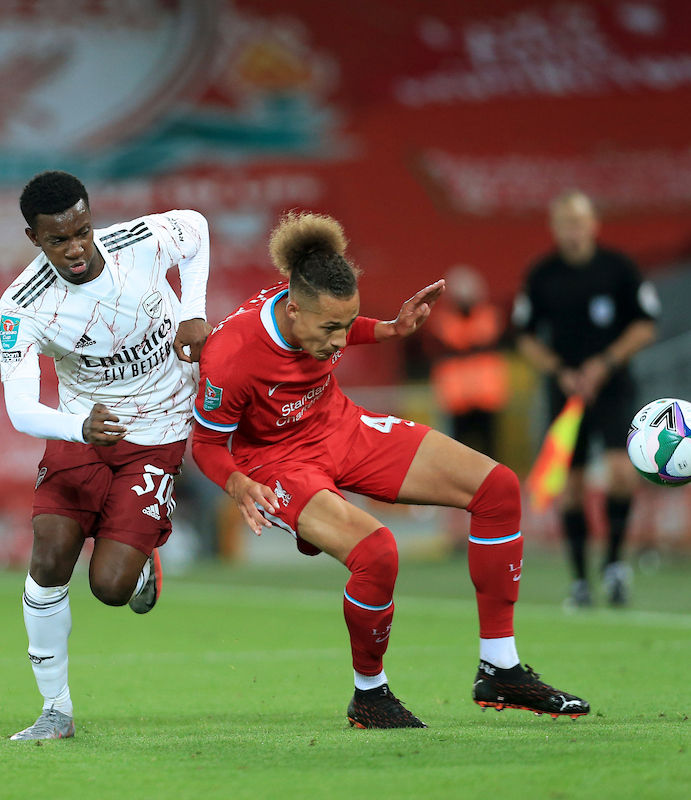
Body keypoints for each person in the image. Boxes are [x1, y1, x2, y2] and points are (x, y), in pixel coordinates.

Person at [191, 211, 589, 729]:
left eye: (345, 323)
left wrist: (387, 329)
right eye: (329, 328)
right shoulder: (232, 355)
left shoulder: (311, 300)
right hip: (276, 462)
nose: (338, 341)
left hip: (340, 426)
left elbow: (341, 323)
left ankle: (501, 667)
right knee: (377, 553)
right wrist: (238, 483)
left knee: (498, 488)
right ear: (291, 312)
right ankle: (370, 695)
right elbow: (205, 443)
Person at [0, 171, 210, 740]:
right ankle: (55, 711)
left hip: (159, 429)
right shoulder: (22, 306)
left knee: (110, 588)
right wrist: (77, 425)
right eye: (57, 240)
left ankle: (141, 559)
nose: (75, 248)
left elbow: (195, 227)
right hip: (81, 433)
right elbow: (20, 409)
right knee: (47, 562)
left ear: (92, 218)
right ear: (33, 238)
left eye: (82, 231)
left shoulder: (137, 244)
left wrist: (193, 308)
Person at [514, 190, 659, 608]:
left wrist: (605, 363)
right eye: (564, 223)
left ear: (594, 223)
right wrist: (560, 370)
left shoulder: (619, 269)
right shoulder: (542, 275)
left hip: (612, 386)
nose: (572, 230)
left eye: (579, 221)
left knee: (621, 473)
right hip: (566, 392)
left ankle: (614, 563)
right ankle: (579, 580)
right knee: (571, 487)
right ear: (554, 228)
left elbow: (646, 325)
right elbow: (523, 336)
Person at [425, 265, 510, 459]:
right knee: (458, 457)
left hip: (486, 396)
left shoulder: (489, 316)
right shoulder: (442, 321)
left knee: (490, 455)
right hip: (457, 399)